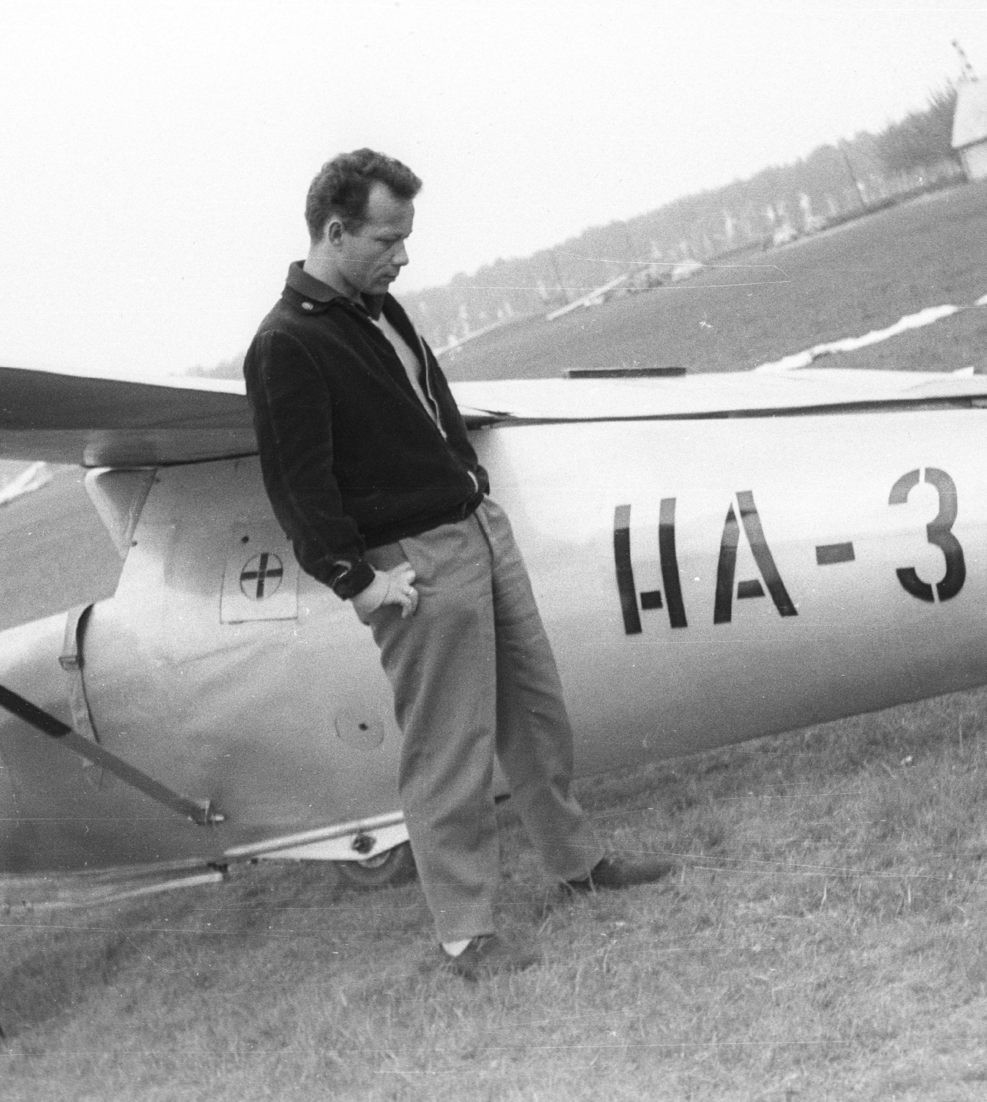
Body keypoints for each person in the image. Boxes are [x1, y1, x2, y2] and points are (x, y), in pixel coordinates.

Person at [243, 149, 673, 981]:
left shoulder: (378, 307)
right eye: (388, 237)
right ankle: (466, 935)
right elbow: (299, 488)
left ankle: (578, 865)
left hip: (476, 529)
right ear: (334, 232)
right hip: (415, 563)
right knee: (448, 749)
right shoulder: (286, 343)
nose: (403, 255)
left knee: (537, 714)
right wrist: (361, 582)